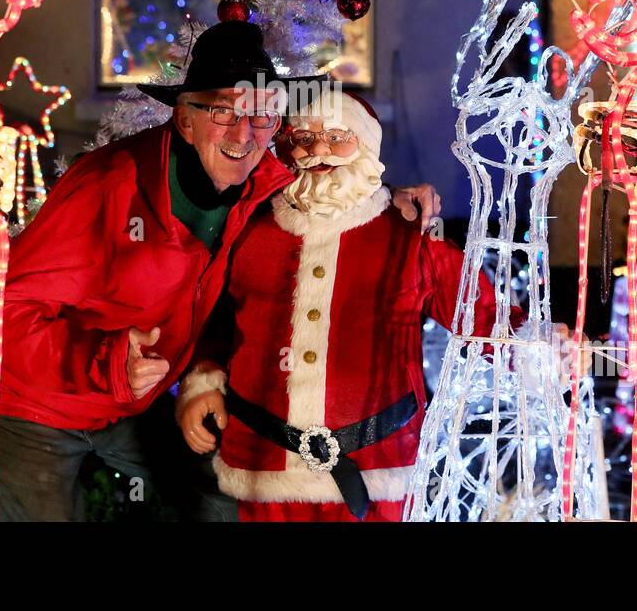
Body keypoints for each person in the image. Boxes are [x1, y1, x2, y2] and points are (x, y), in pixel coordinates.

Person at [0, 20, 441, 520]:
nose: (244, 134)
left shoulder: (263, 183)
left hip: (128, 400)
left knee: (222, 497)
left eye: (261, 115)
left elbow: (330, 184)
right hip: (24, 401)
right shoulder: (105, 188)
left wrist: (386, 199)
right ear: (185, 121)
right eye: (224, 112)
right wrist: (106, 362)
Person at [176, 91, 505, 522]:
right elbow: (215, 319)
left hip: (378, 466)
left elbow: (482, 316)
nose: (319, 150)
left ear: (366, 147)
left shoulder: (413, 233)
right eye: (305, 138)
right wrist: (202, 383)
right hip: (264, 464)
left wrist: (545, 348)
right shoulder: (249, 227)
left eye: (337, 136)